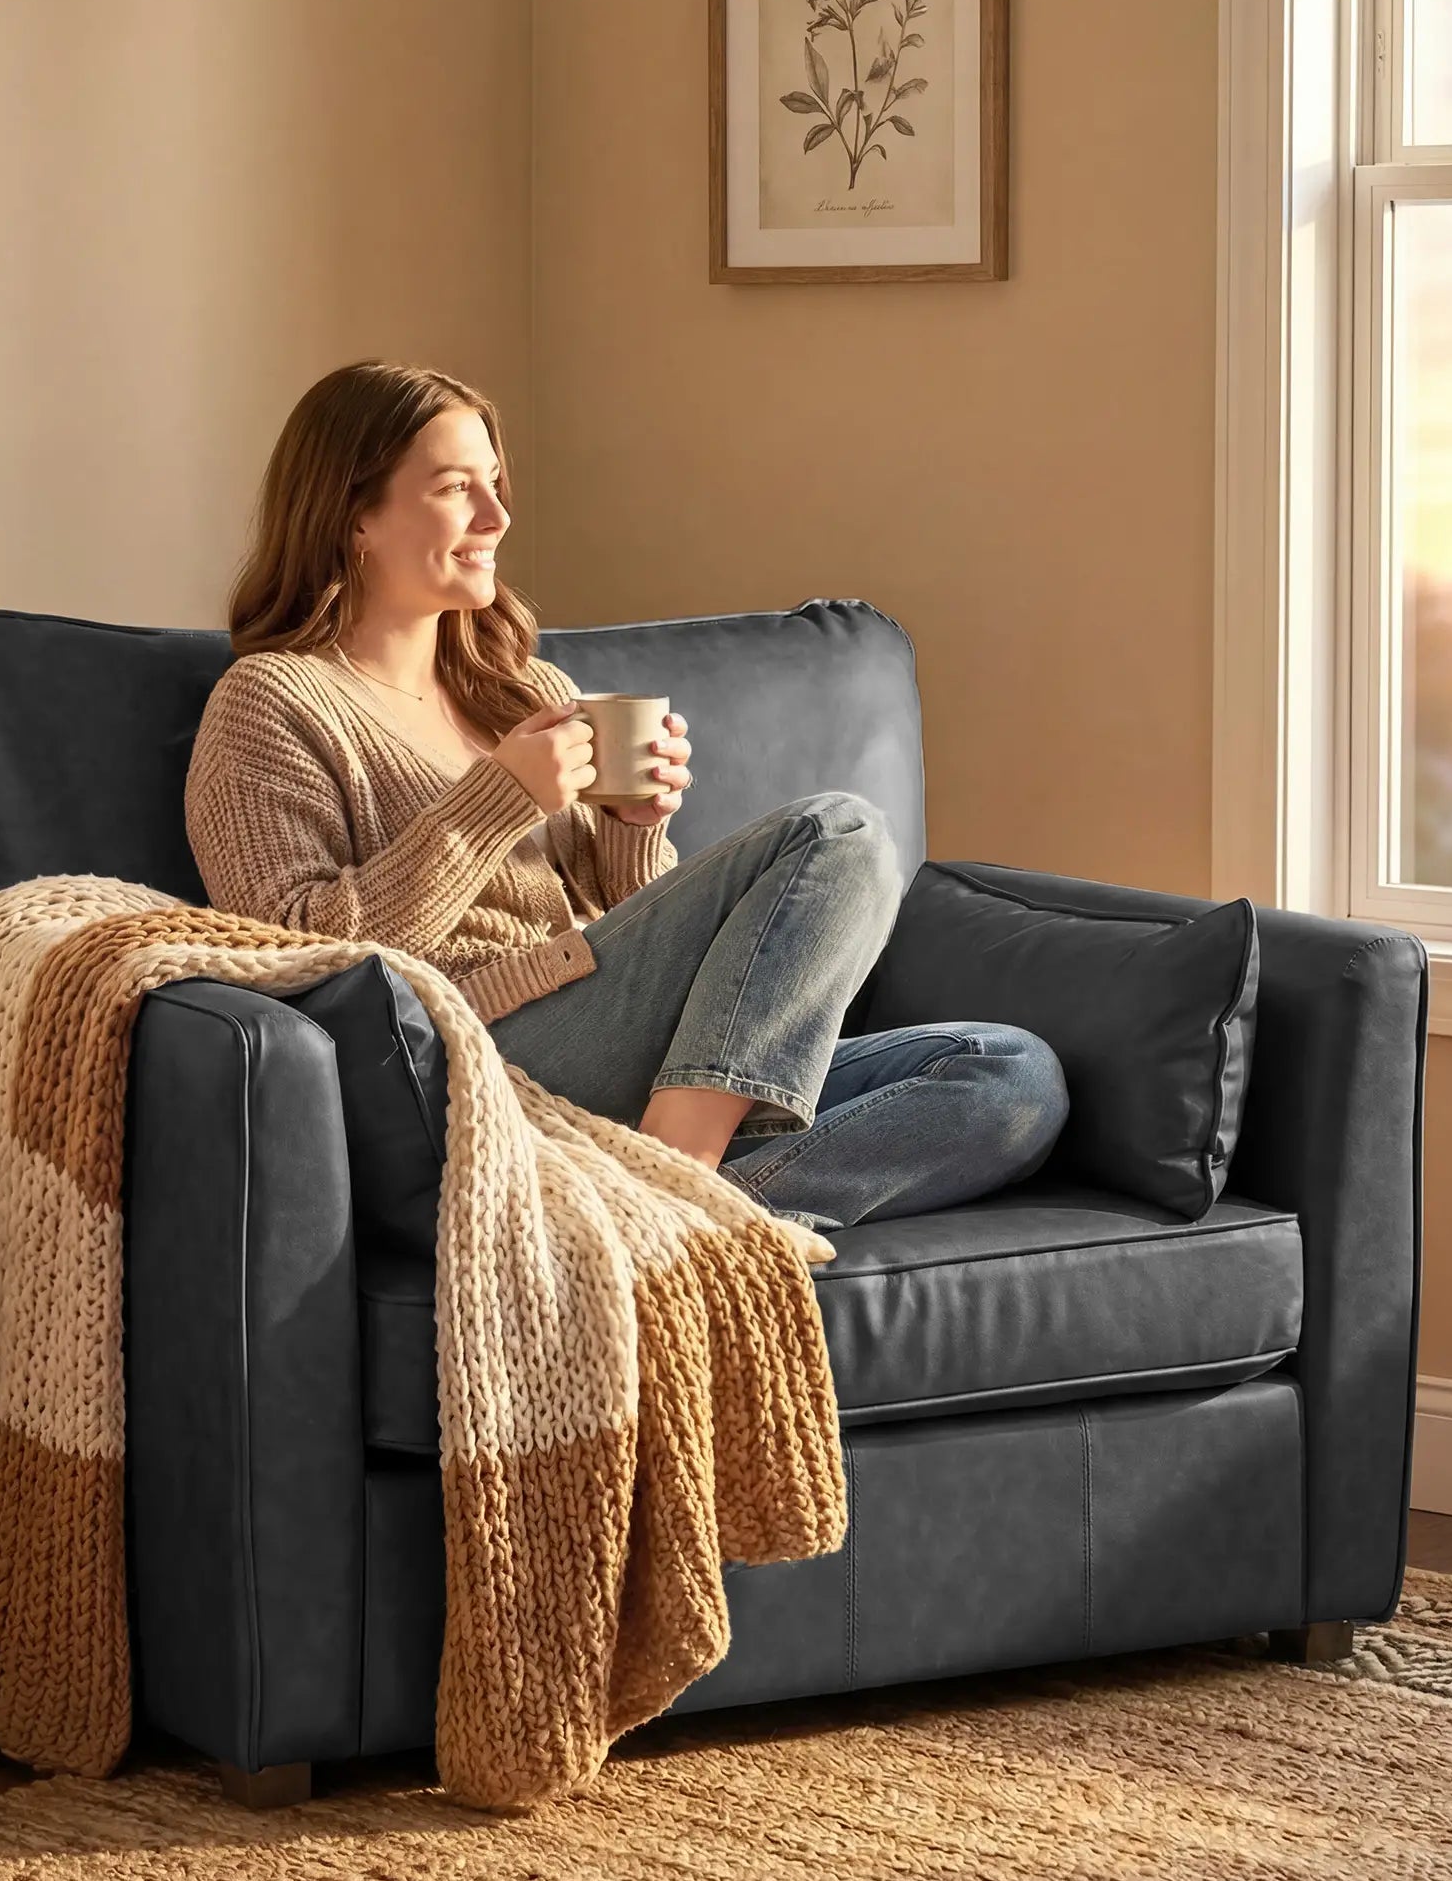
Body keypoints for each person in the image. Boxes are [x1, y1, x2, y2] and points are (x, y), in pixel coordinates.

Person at [184, 359, 1068, 1231]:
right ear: (353, 516)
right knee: (840, 833)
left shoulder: (523, 688)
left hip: (618, 1058)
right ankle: (679, 1173)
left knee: (1009, 1074)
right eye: (457, 488)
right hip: (467, 1054)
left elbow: (638, 938)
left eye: (495, 484)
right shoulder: (273, 699)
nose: (497, 516)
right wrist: (494, 803)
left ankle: (670, 1210)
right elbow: (298, 962)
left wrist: (633, 831)